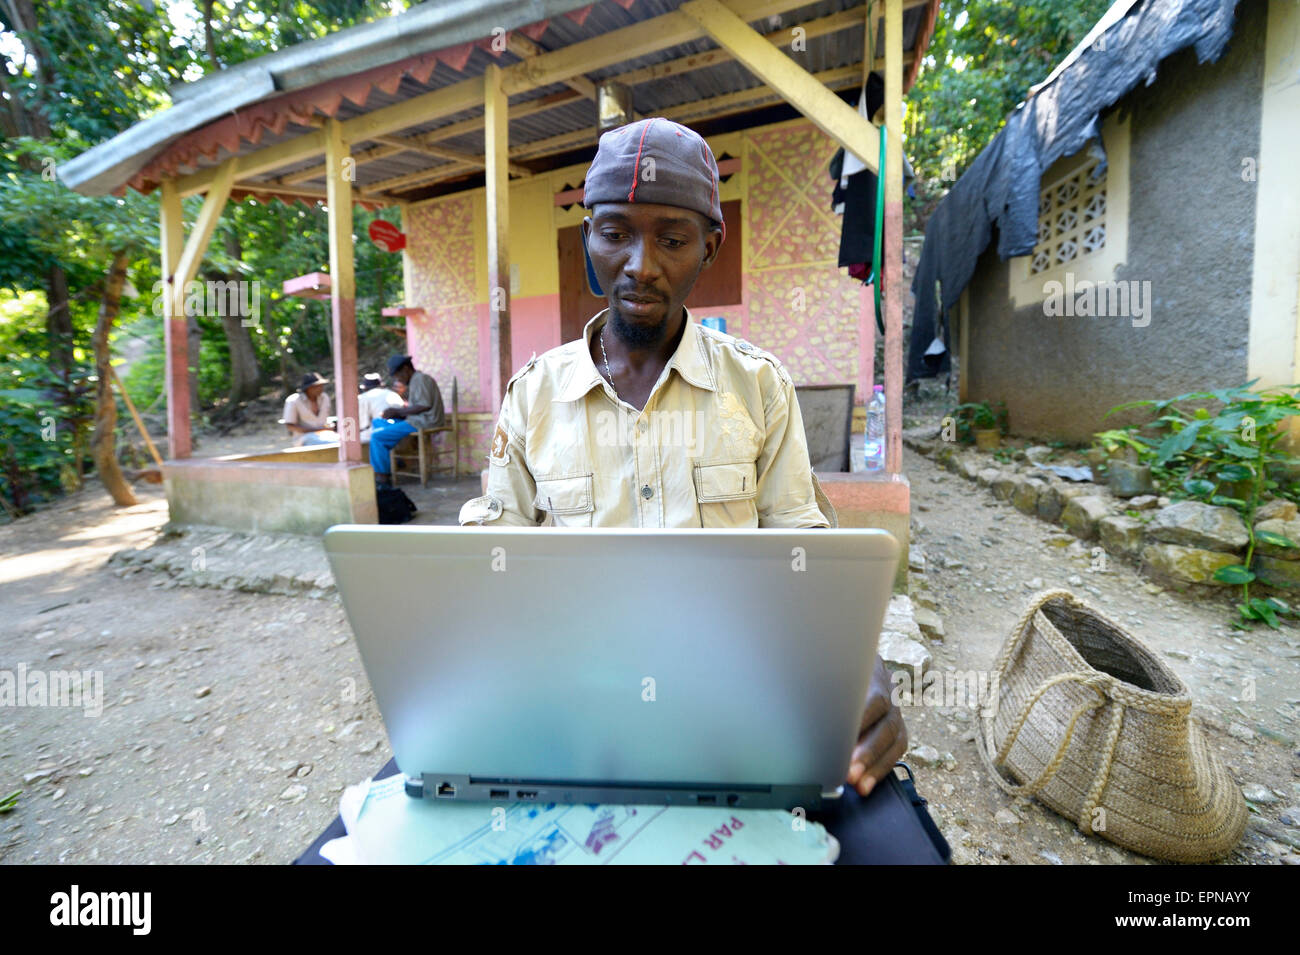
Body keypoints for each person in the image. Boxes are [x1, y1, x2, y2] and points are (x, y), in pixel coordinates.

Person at [458, 117, 907, 803]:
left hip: (736, 700)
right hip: (578, 705)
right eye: (615, 233)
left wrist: (861, 663)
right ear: (588, 239)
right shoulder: (532, 397)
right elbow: (482, 575)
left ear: (709, 246)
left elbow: (808, 558)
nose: (641, 263)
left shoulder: (759, 388)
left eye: (672, 238)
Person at [368, 354, 444, 486]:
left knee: (377, 437)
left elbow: (424, 405)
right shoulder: (415, 380)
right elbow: (417, 406)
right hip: (416, 420)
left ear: (405, 369)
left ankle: (383, 477)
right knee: (377, 422)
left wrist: (397, 411)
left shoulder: (420, 379)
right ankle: (392, 458)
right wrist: (396, 413)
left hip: (424, 422)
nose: (398, 379)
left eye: (398, 375)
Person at [283, 372, 337, 446]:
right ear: (309, 388)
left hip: (326, 434)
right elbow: (290, 426)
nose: (321, 388)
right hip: (303, 438)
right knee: (330, 443)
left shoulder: (324, 397)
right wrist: (318, 430)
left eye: (321, 385)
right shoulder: (293, 400)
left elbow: (325, 420)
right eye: (317, 386)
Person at [357, 372, 405, 442]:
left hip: (378, 435)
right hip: (400, 433)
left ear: (365, 388)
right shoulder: (393, 394)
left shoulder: (363, 398)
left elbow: (362, 424)